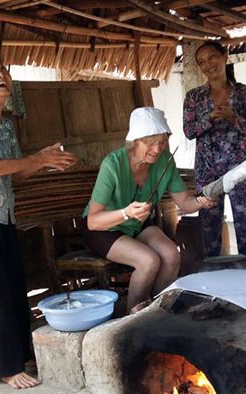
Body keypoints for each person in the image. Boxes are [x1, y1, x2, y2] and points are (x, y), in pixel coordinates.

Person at [0, 57, 77, 389]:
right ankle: (3, 366)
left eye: (4, 72)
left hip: (2, 210)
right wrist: (39, 158)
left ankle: (20, 353)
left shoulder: (5, 126)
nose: (2, 76)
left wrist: (45, 160)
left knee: (11, 281)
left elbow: (16, 172)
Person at [83, 107, 216, 312]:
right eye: (150, 142)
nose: (157, 149)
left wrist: (201, 201)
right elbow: (93, 220)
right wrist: (126, 213)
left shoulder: (164, 161)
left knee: (172, 255)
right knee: (148, 261)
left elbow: (184, 202)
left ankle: (157, 310)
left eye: (162, 142)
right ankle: (133, 319)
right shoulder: (113, 164)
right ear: (135, 141)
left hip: (136, 223)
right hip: (104, 228)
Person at [183, 41, 246, 268]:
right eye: (202, 62)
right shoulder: (194, 97)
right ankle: (214, 280)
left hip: (241, 169)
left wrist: (232, 117)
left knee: (245, 229)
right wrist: (210, 118)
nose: (208, 65)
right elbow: (188, 132)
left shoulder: (244, 93)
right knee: (209, 229)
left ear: (224, 56)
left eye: (212, 57)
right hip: (208, 171)